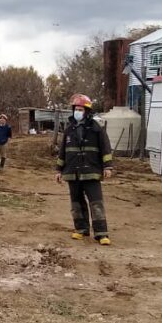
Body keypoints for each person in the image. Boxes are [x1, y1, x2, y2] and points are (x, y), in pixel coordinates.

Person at [55, 94, 114, 245]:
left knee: (96, 203)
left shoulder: (96, 129)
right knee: (76, 203)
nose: (78, 112)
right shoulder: (69, 130)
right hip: (72, 173)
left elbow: (105, 148)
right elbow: (63, 151)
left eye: (81, 109)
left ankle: (101, 233)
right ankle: (81, 229)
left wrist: (108, 166)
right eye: (76, 109)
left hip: (91, 172)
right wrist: (58, 170)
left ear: (87, 111)